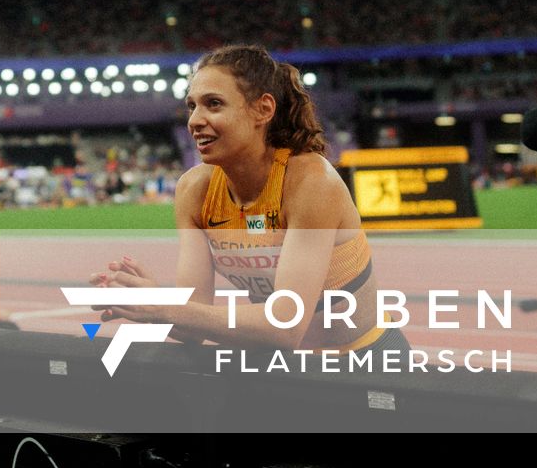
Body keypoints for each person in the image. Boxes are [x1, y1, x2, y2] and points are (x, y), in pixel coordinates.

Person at [92, 44, 411, 365]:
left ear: (263, 109)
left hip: (364, 360)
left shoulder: (311, 181)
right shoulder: (194, 190)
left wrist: (164, 307)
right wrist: (151, 301)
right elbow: (192, 326)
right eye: (192, 106)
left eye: (213, 104)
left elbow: (285, 325)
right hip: (278, 365)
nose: (195, 120)